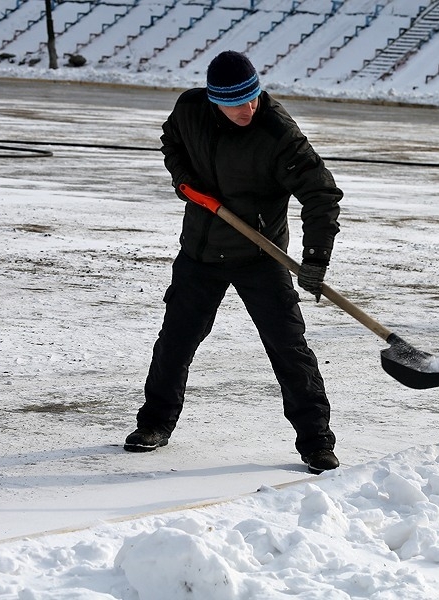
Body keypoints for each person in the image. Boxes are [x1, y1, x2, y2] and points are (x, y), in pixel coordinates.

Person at [124, 51, 343, 474]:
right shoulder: (189, 110)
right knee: (175, 342)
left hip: (261, 256)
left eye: (253, 97)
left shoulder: (278, 134)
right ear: (214, 100)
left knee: (289, 349)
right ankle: (153, 424)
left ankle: (316, 442)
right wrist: (182, 178)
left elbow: (321, 194)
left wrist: (315, 259)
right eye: (237, 102)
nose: (249, 109)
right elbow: (171, 141)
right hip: (200, 252)